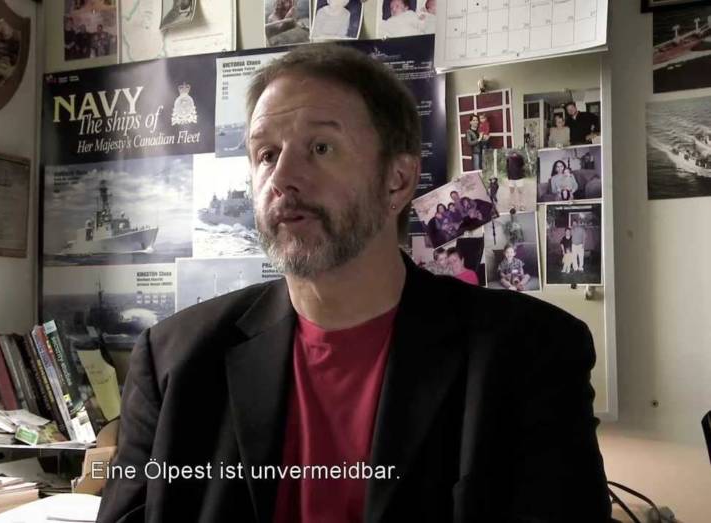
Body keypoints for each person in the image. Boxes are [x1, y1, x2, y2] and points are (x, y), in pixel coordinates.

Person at [99, 44, 611, 523]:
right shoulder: (173, 361)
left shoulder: (530, 353)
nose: (281, 178)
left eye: (321, 147)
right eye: (266, 154)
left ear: (397, 181)